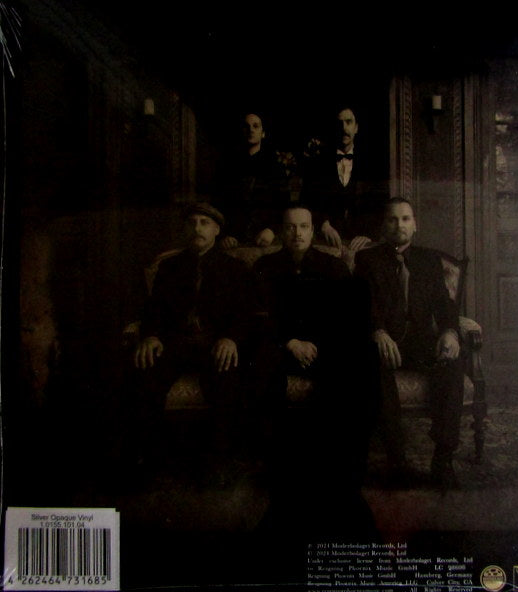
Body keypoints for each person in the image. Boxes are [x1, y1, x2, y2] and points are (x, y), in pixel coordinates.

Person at [253, 205, 376, 540]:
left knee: (353, 365)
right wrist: (290, 342)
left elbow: (347, 316)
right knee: (262, 365)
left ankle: (339, 467)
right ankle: (275, 465)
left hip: (323, 348)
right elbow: (259, 316)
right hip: (283, 347)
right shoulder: (265, 266)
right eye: (290, 227)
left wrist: (319, 344)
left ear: (312, 230)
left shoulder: (332, 265)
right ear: (282, 231)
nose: (297, 233)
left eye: (304, 226)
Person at [124, 201, 253, 483]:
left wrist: (231, 338)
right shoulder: (169, 266)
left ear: (217, 230)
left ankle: (218, 461)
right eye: (192, 223)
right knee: (143, 374)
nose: (197, 229)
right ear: (184, 229)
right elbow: (154, 309)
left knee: (226, 381)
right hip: (175, 344)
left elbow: (244, 313)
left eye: (204, 223)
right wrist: (151, 335)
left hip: (214, 344)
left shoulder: (234, 268)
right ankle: (151, 460)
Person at [354, 197, 463, 488]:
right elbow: (362, 305)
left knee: (453, 363)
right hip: (384, 342)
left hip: (420, 344)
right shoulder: (367, 260)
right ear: (383, 226)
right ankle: (397, 460)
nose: (399, 225)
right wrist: (377, 332)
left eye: (405, 219)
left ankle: (443, 458)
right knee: (370, 365)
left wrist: (450, 332)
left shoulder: (429, 261)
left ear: (415, 225)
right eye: (392, 219)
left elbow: (445, 306)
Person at [302, 105, 381, 252]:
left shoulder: (370, 164)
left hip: (361, 245)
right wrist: (323, 224)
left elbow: (378, 205)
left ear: (356, 128)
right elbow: (306, 202)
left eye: (348, 122)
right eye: (339, 123)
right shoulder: (317, 163)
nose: (344, 128)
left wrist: (367, 234)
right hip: (325, 243)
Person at [214, 111, 287, 248]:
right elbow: (219, 203)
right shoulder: (227, 166)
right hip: (232, 238)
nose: (251, 130)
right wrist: (225, 234)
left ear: (263, 133)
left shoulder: (275, 167)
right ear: (241, 131)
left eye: (255, 126)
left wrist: (272, 230)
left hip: (266, 236)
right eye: (246, 126)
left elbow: (283, 204)